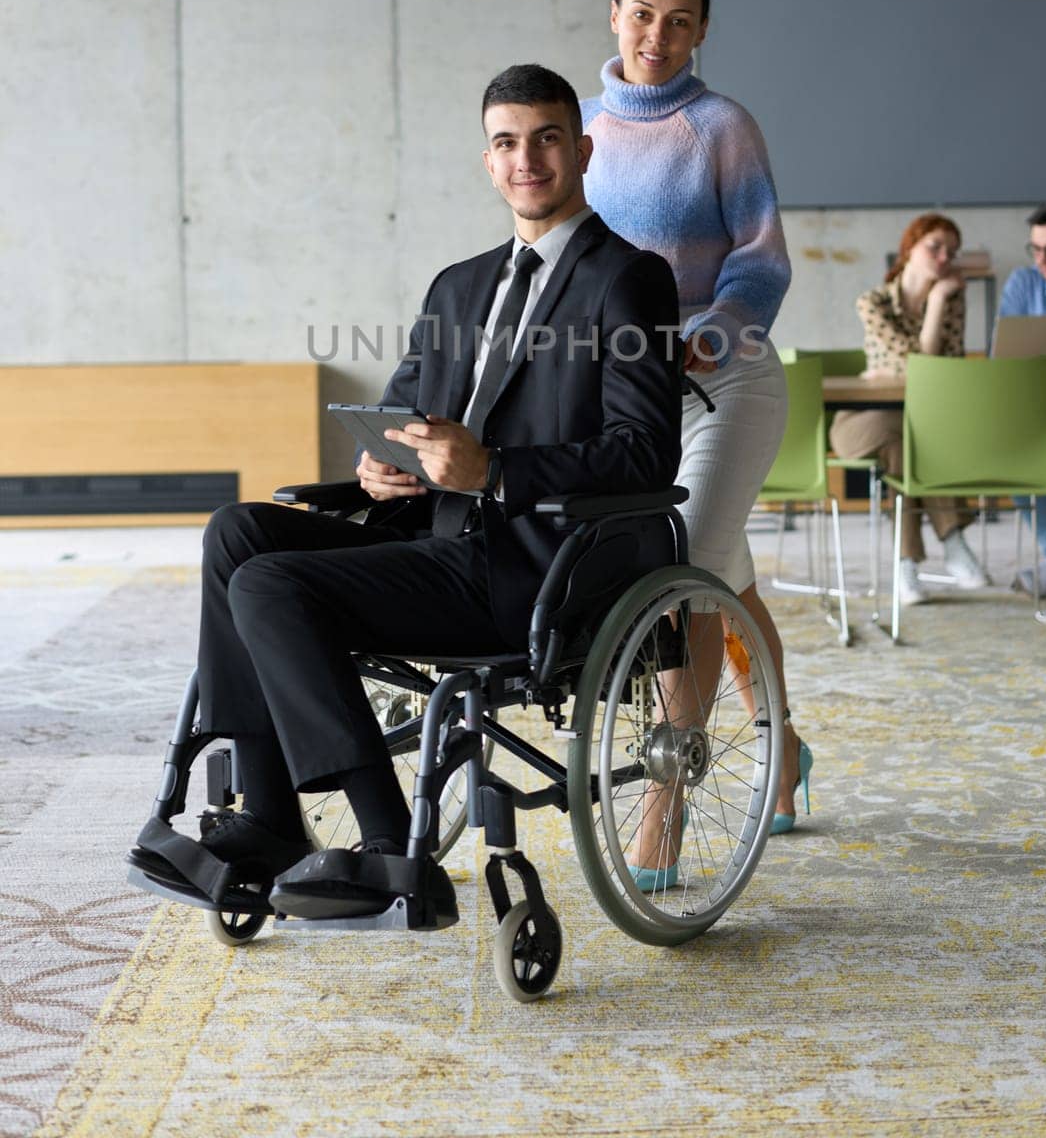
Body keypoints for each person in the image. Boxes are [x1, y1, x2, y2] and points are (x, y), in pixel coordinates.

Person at [131, 64, 681, 921]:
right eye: (505, 142)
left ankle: (393, 849)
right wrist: (379, 461)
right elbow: (402, 410)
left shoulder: (628, 281)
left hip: (534, 566)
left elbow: (645, 455)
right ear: (487, 160)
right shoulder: (458, 285)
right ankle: (272, 818)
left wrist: (495, 470)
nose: (524, 158)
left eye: (544, 139)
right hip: (432, 538)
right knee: (237, 534)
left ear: (581, 149)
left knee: (271, 584)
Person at [579, 0, 807, 854]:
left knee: (687, 589)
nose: (657, 35)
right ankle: (783, 748)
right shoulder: (584, 131)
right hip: (630, 398)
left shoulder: (721, 126)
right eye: (642, 13)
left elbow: (760, 260)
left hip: (725, 380)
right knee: (728, 582)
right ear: (613, 15)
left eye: (678, 20)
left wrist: (701, 339)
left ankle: (665, 806)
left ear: (702, 30)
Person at [830, 212, 990, 608]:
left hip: (910, 428)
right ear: (909, 250)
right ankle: (952, 540)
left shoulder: (952, 303)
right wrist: (935, 302)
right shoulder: (873, 302)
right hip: (858, 422)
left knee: (905, 446)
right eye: (934, 246)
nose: (943, 257)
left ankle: (906, 567)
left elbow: (940, 372)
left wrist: (938, 302)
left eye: (951, 252)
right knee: (910, 438)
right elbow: (923, 365)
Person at [999, 198, 1046, 597]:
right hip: (1039, 414)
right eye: (1036, 248)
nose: (1042, 258)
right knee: (1013, 458)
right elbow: (1003, 358)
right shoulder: (1024, 284)